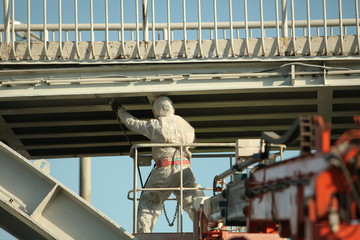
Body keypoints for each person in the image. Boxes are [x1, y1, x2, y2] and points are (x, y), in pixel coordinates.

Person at [111, 96, 204, 233]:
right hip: (185, 168)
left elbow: (133, 123)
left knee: (149, 203)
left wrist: (119, 109)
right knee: (193, 203)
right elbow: (192, 141)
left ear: (157, 109)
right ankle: (208, 228)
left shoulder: (156, 125)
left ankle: (144, 235)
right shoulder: (185, 124)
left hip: (163, 170)